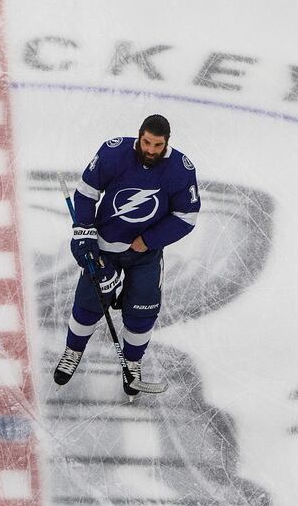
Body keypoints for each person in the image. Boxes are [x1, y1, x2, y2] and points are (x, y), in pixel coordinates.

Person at [54, 114, 200, 396]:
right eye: (146, 142)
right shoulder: (114, 152)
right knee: (88, 304)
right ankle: (73, 351)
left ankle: (132, 363)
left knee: (142, 312)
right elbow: (85, 193)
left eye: (158, 145)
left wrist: (149, 240)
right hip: (105, 248)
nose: (150, 150)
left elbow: (187, 216)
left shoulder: (180, 170)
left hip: (145, 254)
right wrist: (84, 232)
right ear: (139, 136)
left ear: (166, 143)